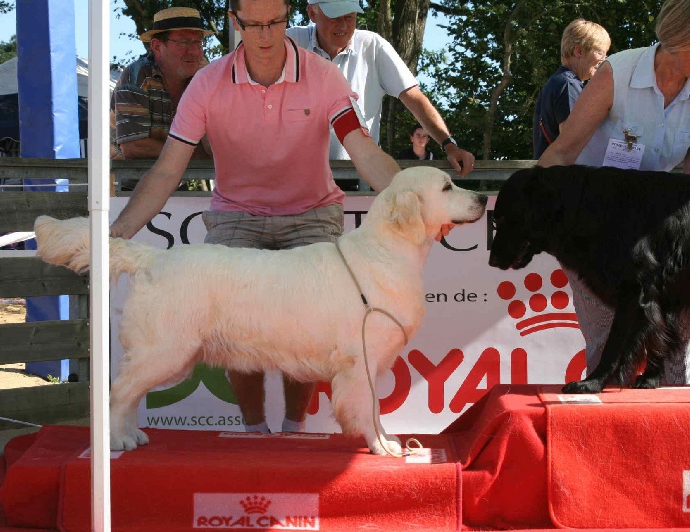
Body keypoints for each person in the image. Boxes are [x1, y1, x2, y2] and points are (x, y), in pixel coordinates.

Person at [110, 0, 420, 434]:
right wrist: (118, 234)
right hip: (238, 214)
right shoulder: (207, 84)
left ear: (288, 17)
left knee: (312, 328)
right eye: (253, 24)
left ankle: (293, 430)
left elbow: (363, 150)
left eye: (275, 22)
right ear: (235, 23)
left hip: (312, 213)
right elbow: (165, 170)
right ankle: (254, 431)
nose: (265, 35)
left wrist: (409, 195)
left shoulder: (323, 75)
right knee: (235, 327)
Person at [538, 0, 690, 383]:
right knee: (610, 348)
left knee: (676, 349)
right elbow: (562, 150)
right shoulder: (617, 73)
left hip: (660, 231)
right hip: (596, 226)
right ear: (680, 41)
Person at [286, 0, 474, 175]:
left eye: (349, 17)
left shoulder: (373, 46)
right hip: (295, 176)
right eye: (334, 17)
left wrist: (450, 146)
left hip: (358, 176)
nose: (343, 25)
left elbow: (414, 98)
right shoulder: (288, 43)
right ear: (312, 13)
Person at [111, 7, 212, 160]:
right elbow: (133, 147)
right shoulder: (137, 76)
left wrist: (207, 87)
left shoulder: (201, 80)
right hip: (121, 181)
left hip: (172, 179)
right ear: (157, 46)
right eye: (184, 42)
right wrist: (197, 154)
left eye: (198, 42)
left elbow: (216, 145)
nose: (194, 51)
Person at [532, 19, 610, 158]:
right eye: (600, 53)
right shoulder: (568, 85)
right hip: (561, 175)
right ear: (579, 51)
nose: (604, 61)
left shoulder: (558, 81)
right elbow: (573, 141)